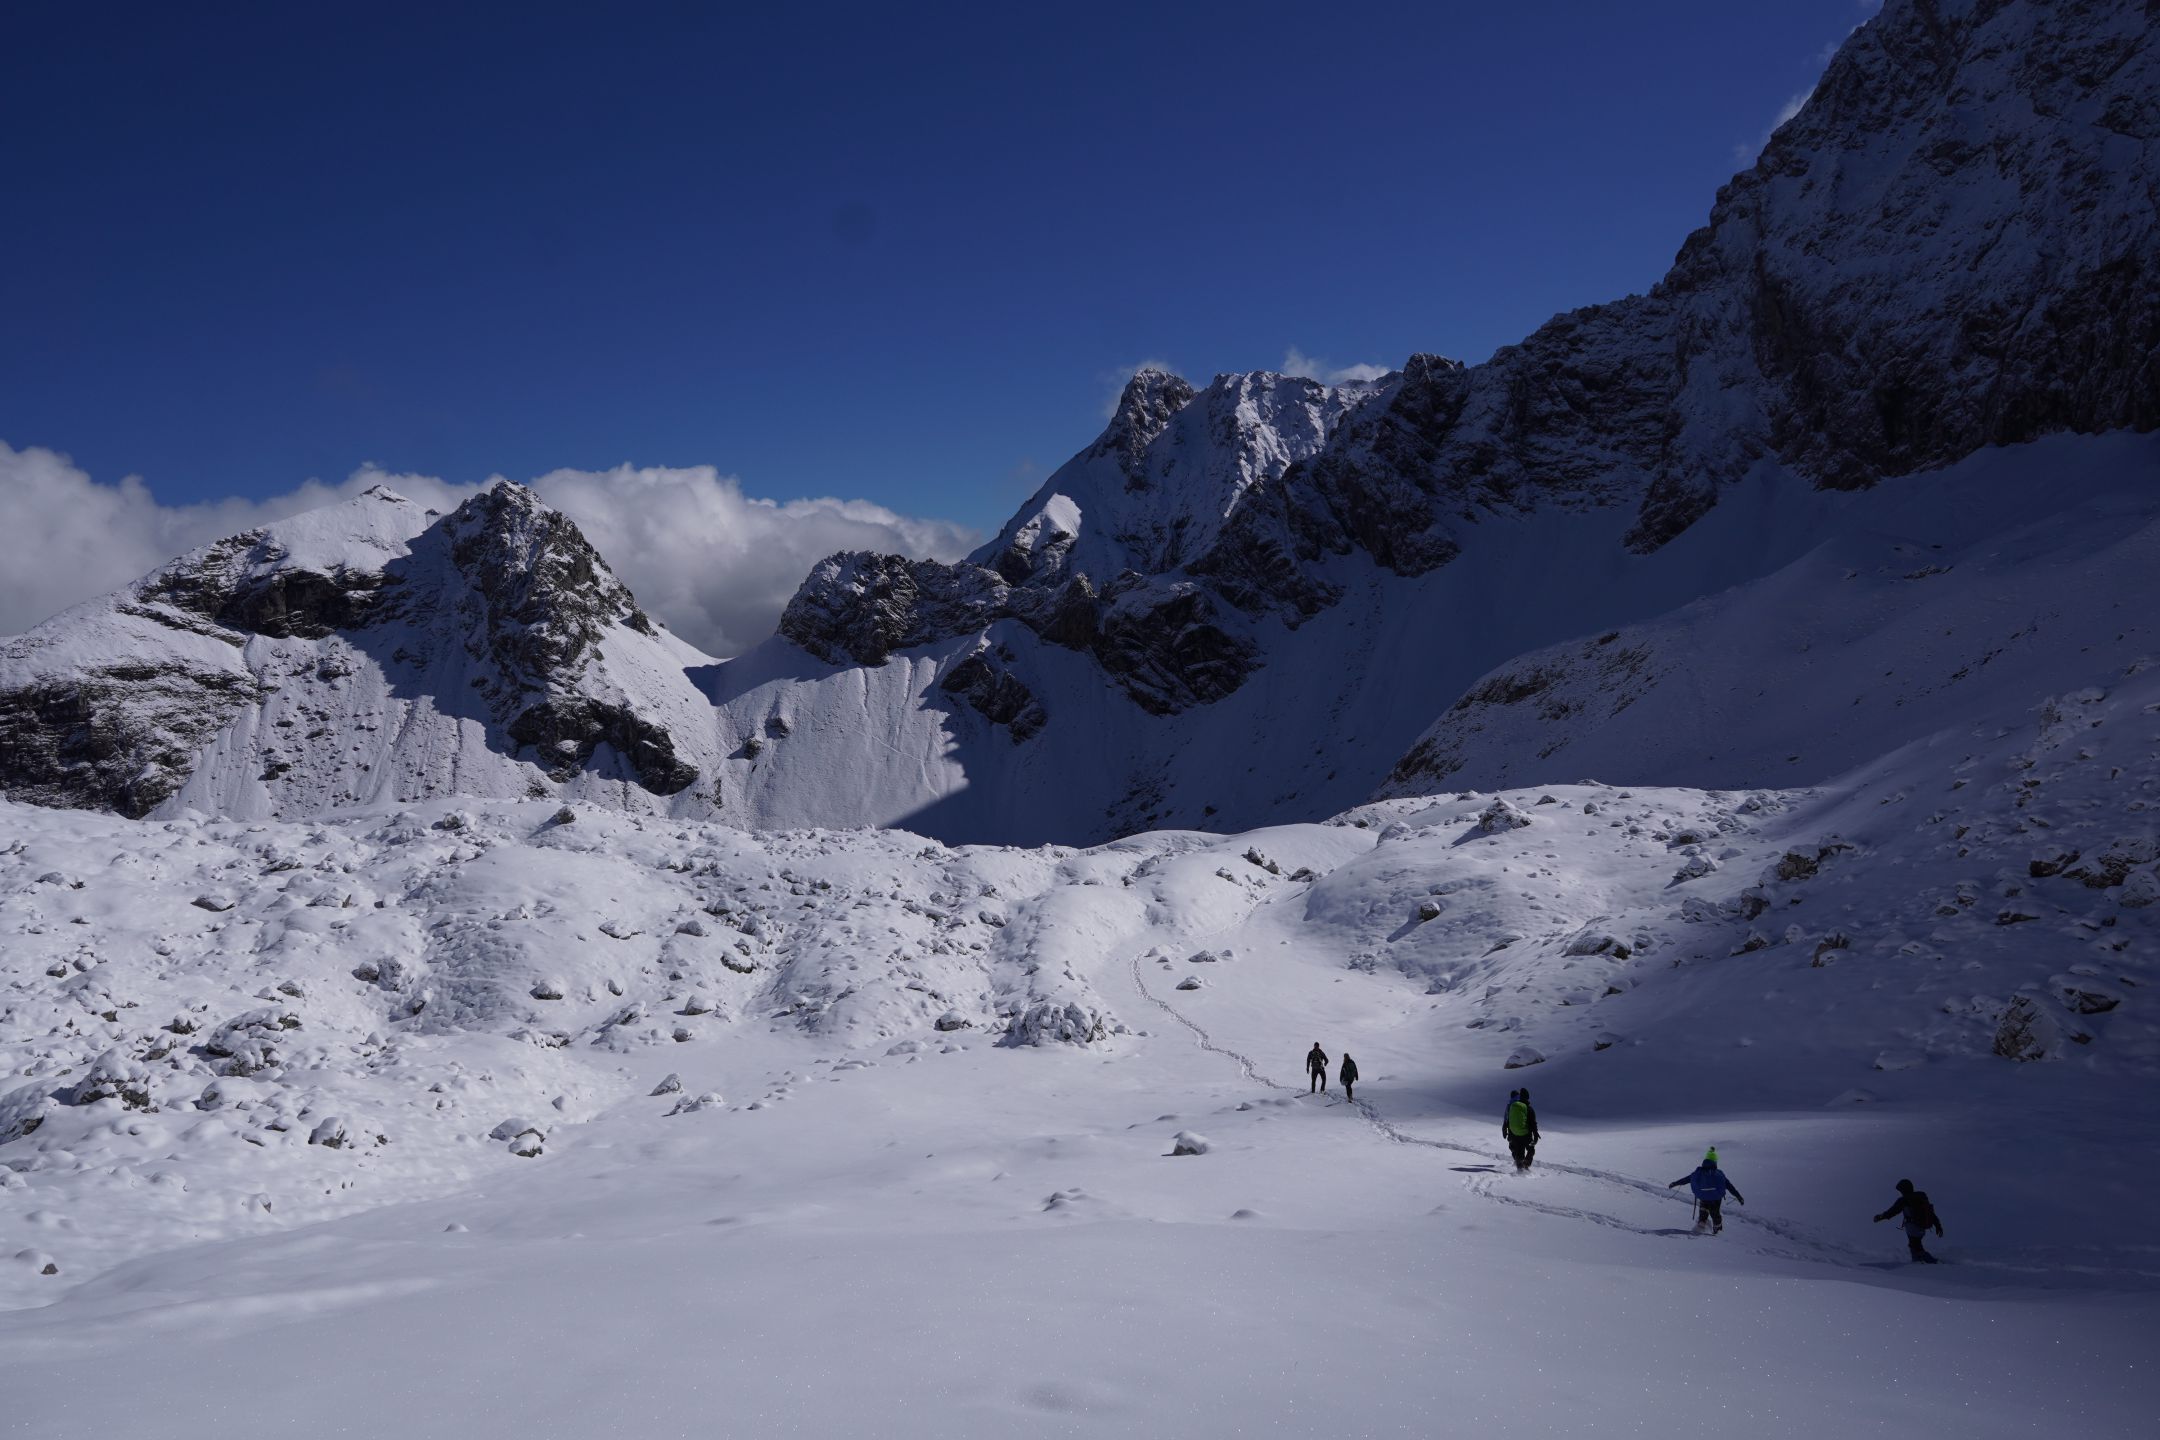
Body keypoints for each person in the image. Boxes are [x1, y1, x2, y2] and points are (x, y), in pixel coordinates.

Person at [1668, 1149, 1745, 1233]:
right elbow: (1729, 1186)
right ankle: (1717, 1231)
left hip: (1703, 1196)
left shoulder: (1698, 1172)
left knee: (1703, 1212)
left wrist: (1675, 1183)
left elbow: (1687, 1179)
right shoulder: (1719, 1174)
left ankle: (1701, 1226)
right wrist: (1738, 1196)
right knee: (1715, 1214)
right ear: (1715, 1162)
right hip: (1716, 1198)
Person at [1873, 1179, 1943, 1263]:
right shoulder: (1920, 1198)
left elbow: (1892, 1212)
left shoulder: (1904, 1200)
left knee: (1916, 1247)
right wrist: (1938, 1226)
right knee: (1915, 1245)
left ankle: (1932, 1263)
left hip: (1912, 1227)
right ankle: (1918, 1262)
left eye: (1901, 1190)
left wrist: (1880, 1217)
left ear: (1904, 1189)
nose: (1900, 1192)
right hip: (1921, 1227)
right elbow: (1931, 1214)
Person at [1503, 1089, 1539, 1170]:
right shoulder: (1528, 1108)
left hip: (1515, 1133)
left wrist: (1506, 1129)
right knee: (1531, 1150)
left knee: (1519, 1152)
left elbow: (1508, 1119)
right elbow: (1533, 1123)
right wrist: (1536, 1135)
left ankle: (1520, 1169)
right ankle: (1526, 1165)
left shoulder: (1512, 1106)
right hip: (1526, 1134)